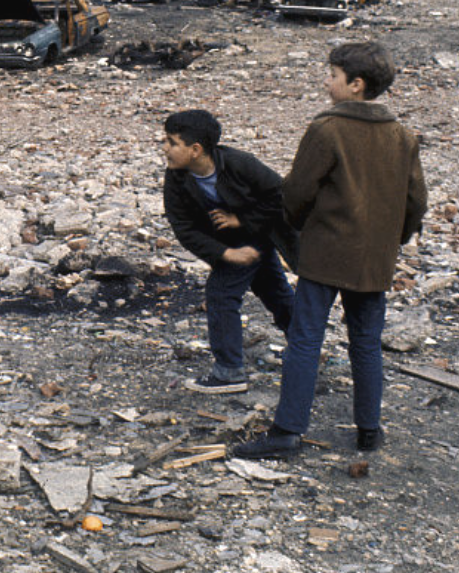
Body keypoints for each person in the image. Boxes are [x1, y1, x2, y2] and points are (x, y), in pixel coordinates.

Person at [234, 42, 427, 459]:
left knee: (305, 339)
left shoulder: (327, 129)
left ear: (355, 85)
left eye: (333, 75)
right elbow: (415, 204)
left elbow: (297, 192)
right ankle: (368, 431)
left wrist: (306, 226)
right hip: (374, 257)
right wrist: (391, 239)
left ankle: (287, 431)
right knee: (366, 342)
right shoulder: (402, 135)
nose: (326, 82)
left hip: (325, 252)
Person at [162, 110, 296, 394]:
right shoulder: (177, 178)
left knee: (221, 294)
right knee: (274, 290)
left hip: (258, 234)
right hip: (230, 244)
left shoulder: (239, 164)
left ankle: (229, 373)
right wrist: (224, 253)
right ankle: (305, 345)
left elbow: (281, 195)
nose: (166, 149)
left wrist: (243, 220)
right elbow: (184, 228)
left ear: (195, 150)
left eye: (172, 143)